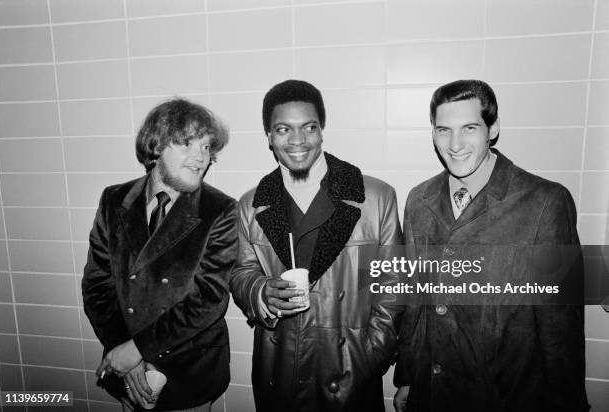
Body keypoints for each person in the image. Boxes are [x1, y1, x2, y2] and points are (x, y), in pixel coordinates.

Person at [393, 80, 588, 411]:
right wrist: (409, 377)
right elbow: (416, 301)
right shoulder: (418, 200)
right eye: (443, 130)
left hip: (506, 397)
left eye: (469, 128)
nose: (455, 144)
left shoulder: (544, 202)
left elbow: (560, 329)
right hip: (432, 394)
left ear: (492, 129)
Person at [230, 79, 403, 411]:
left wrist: (371, 355)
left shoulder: (376, 197)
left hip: (351, 373)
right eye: (283, 129)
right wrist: (259, 292)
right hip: (279, 370)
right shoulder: (251, 204)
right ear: (268, 137)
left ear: (322, 130)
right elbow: (242, 271)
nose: (297, 140)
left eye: (308, 127)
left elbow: (395, 284)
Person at [82, 98, 237, 411]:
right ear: (154, 147)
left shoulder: (219, 210)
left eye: (207, 147)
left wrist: (139, 348)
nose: (200, 158)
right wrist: (123, 350)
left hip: (189, 372)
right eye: (186, 144)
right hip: (129, 372)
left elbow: (208, 300)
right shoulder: (114, 200)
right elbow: (98, 285)